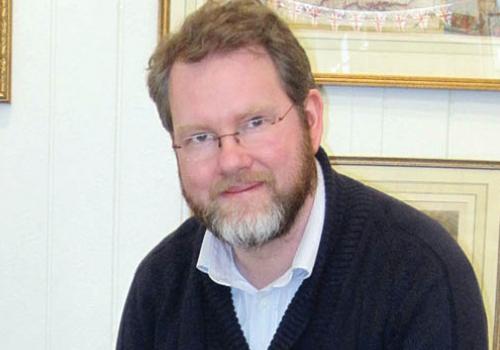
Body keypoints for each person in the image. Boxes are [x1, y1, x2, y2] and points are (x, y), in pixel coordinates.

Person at [116, 0, 487, 349]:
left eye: (255, 122)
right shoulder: (159, 290)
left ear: (311, 121)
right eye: (200, 137)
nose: (230, 160)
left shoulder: (423, 275)